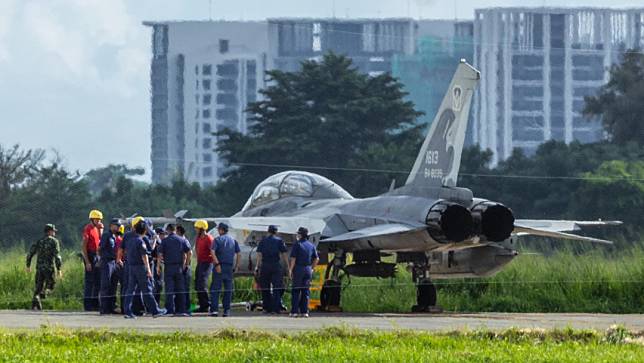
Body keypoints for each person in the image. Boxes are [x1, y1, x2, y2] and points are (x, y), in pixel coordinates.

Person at [120, 218, 166, 319]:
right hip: (141, 268)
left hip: (131, 267)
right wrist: (149, 270)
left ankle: (127, 311)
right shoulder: (140, 241)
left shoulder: (129, 238)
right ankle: (155, 310)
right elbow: (144, 256)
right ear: (144, 230)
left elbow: (122, 250)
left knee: (130, 289)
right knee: (147, 290)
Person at [26, 224, 63, 310]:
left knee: (38, 287)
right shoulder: (54, 241)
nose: (54, 233)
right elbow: (57, 256)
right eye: (53, 231)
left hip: (39, 268)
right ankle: (43, 294)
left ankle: (35, 304)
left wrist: (28, 265)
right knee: (51, 285)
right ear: (50, 231)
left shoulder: (39, 241)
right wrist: (59, 269)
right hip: (49, 268)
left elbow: (30, 254)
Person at [158, 224, 192, 316]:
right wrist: (186, 264)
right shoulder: (182, 240)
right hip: (179, 267)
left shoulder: (164, 241)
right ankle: (181, 310)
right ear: (174, 230)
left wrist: (158, 267)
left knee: (169, 289)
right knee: (180, 289)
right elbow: (189, 252)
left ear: (168, 231)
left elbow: (160, 255)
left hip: (168, 267)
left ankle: (170, 310)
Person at [255, 225, 288, 314]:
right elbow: (284, 254)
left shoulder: (263, 241)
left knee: (265, 287)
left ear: (268, 231)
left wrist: (257, 267)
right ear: (276, 232)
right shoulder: (279, 241)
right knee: (277, 287)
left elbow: (259, 255)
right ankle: (276, 308)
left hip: (265, 265)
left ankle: (266, 307)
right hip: (276, 265)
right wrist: (287, 266)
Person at [209, 222, 240, 317]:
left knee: (215, 288)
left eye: (219, 229)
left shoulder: (217, 240)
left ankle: (214, 310)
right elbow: (239, 254)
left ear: (221, 230)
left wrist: (217, 264)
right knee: (228, 289)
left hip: (220, 266)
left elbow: (212, 251)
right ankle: (226, 310)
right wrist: (237, 266)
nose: (218, 231)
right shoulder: (233, 241)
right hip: (229, 267)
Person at [288, 227, 319, 318]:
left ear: (300, 235)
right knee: (305, 291)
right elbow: (316, 258)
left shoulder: (297, 245)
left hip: (299, 268)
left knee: (296, 290)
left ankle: (294, 311)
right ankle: (304, 311)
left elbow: (293, 258)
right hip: (308, 269)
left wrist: (290, 270)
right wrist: (312, 268)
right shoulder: (311, 245)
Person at [98, 219, 121, 314]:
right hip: (107, 262)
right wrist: (102, 259)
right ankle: (104, 308)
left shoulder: (114, 236)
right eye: (116, 225)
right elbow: (100, 248)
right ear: (111, 225)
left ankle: (111, 307)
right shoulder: (106, 235)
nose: (118, 227)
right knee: (105, 285)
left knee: (113, 286)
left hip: (113, 262)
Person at [82, 209, 103, 311]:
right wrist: (87, 262)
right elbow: (84, 247)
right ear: (92, 219)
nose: (99, 222)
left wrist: (100, 230)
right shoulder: (88, 229)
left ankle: (95, 303)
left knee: (97, 281)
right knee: (89, 281)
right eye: (97, 220)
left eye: (100, 220)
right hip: (90, 255)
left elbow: (100, 242)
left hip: (96, 255)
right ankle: (87, 305)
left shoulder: (97, 229)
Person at [193, 220, 213, 313]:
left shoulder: (208, 238)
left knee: (202, 284)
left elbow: (213, 251)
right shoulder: (198, 238)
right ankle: (202, 305)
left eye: (197, 228)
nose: (195, 230)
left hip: (207, 263)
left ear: (202, 229)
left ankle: (206, 305)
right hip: (200, 263)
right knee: (197, 284)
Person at [176, 225, 193, 314]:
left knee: (184, 289)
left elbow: (188, 253)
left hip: (185, 268)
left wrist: (185, 264)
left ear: (178, 232)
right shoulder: (182, 240)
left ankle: (186, 309)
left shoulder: (183, 241)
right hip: (183, 267)